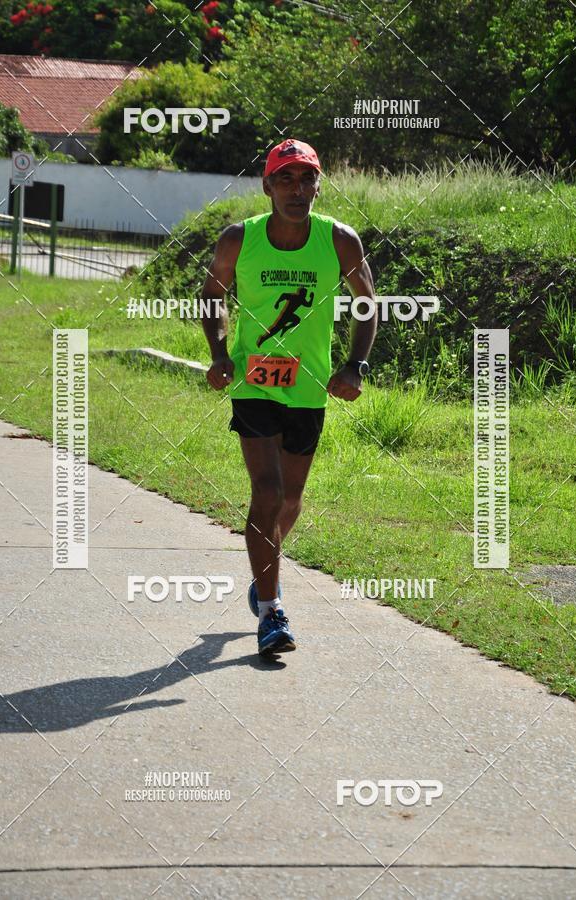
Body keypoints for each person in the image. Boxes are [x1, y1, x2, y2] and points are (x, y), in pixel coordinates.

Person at [201, 138, 377, 656]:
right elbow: (211, 297)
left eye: (306, 179)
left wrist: (355, 364)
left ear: (318, 186)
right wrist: (219, 353)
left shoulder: (339, 240)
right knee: (268, 491)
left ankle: (264, 574)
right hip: (254, 381)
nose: (296, 190)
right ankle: (271, 610)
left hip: (309, 385)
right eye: (285, 179)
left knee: (291, 500)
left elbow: (367, 303)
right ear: (267, 186)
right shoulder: (239, 239)